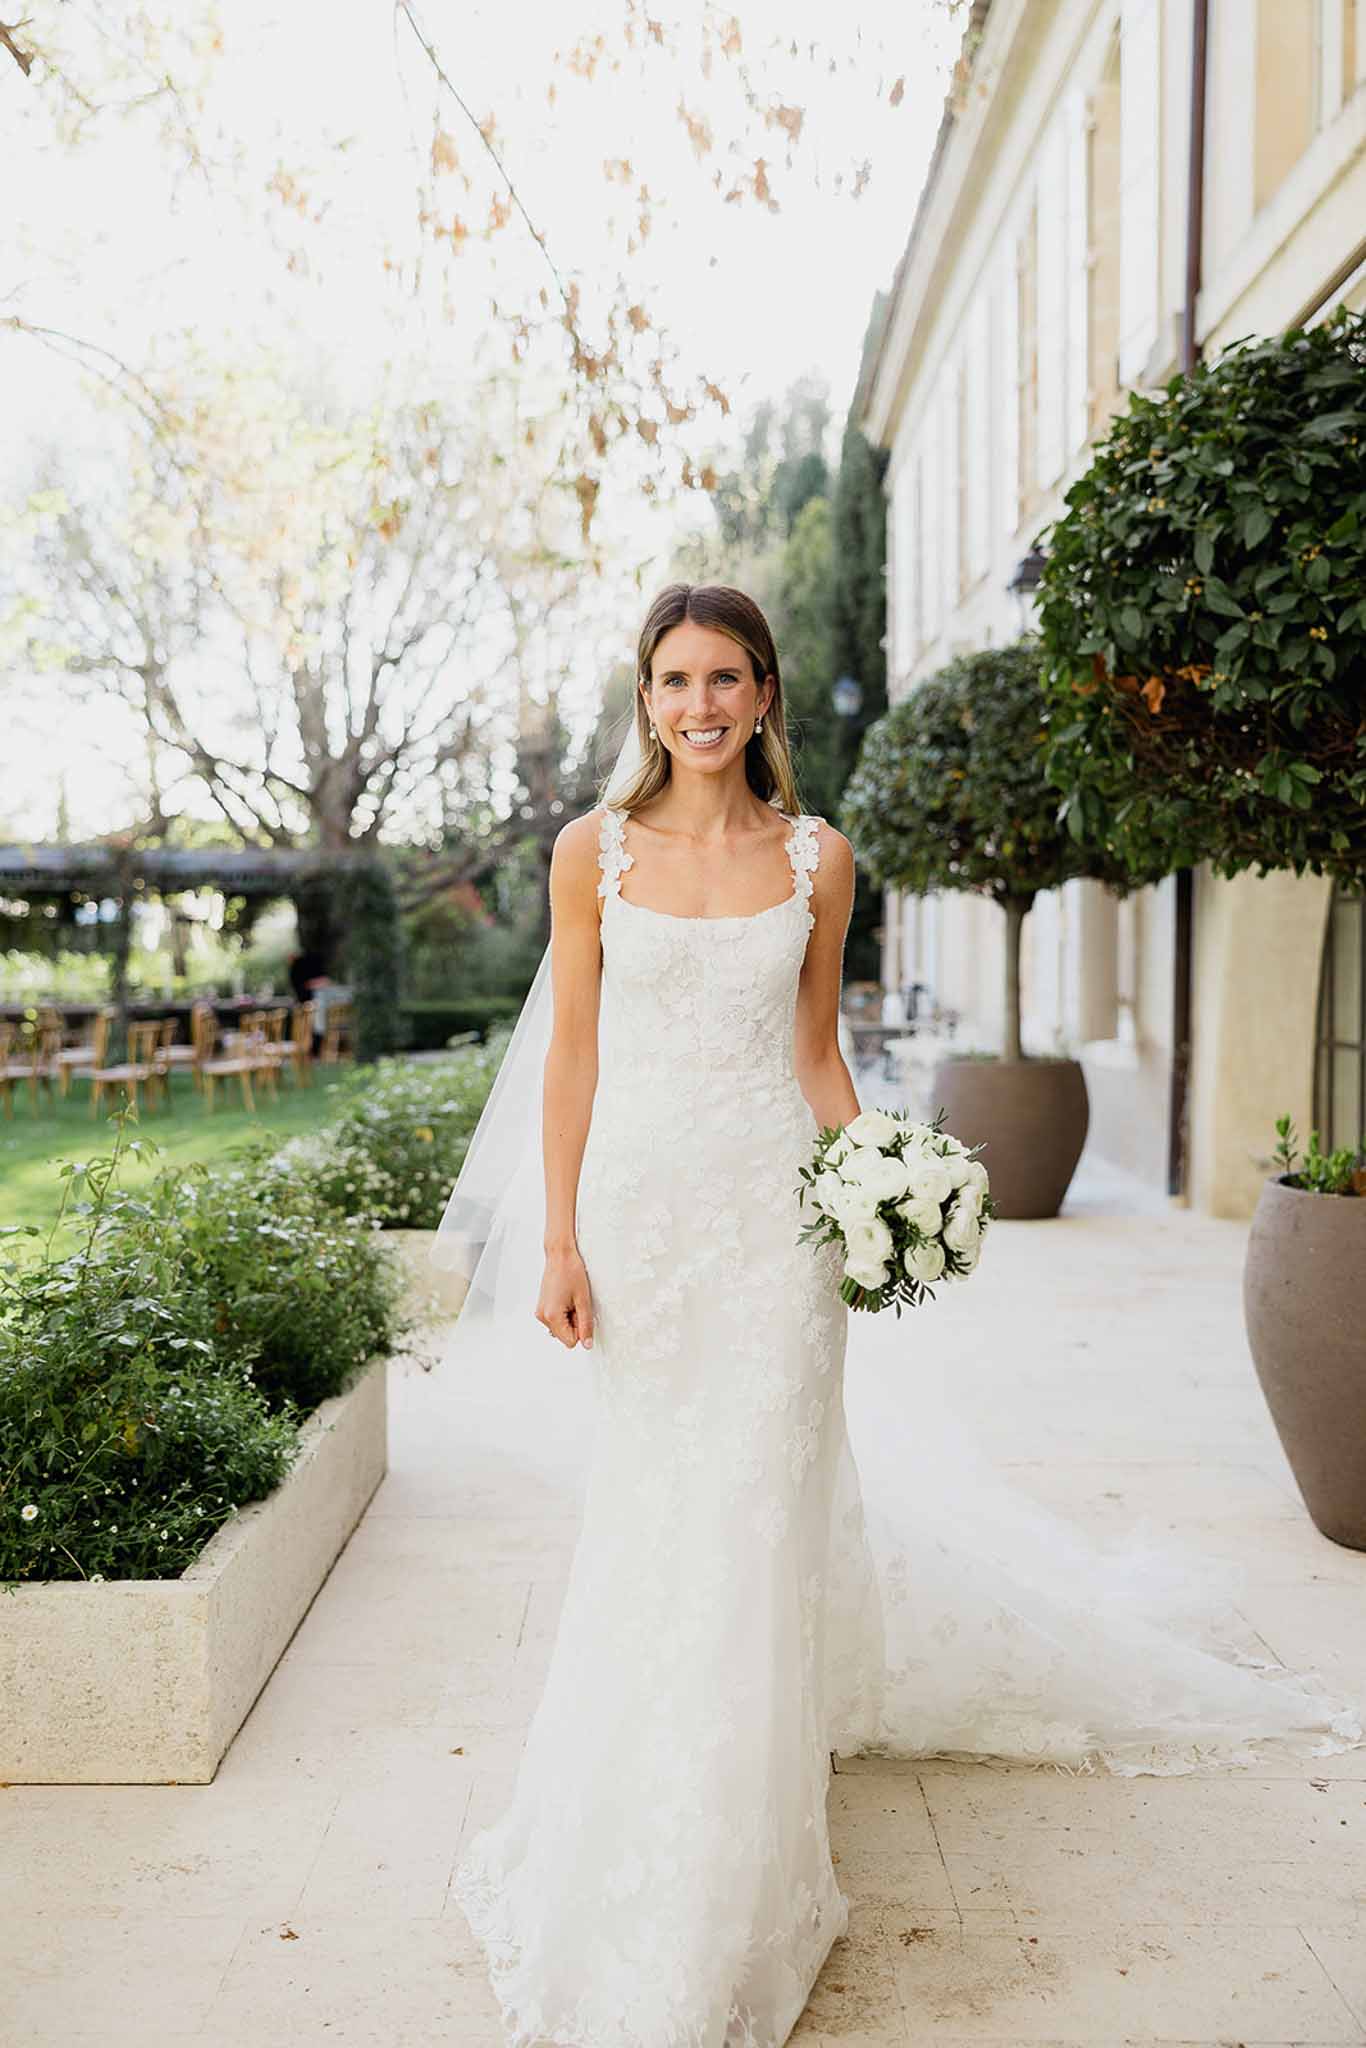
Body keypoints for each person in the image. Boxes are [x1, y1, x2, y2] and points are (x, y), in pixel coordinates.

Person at [434, 583, 1364, 2048]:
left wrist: (886, 1177)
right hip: (646, 1224)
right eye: (673, 680)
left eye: (724, 678)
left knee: (755, 1507)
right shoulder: (588, 852)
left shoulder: (819, 857)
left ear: (765, 693)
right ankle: (635, 1812)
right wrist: (555, 1235)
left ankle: (736, 1864)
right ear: (643, 697)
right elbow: (570, 1063)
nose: (699, 706)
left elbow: (813, 1051)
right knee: (658, 1511)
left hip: (771, 1227)